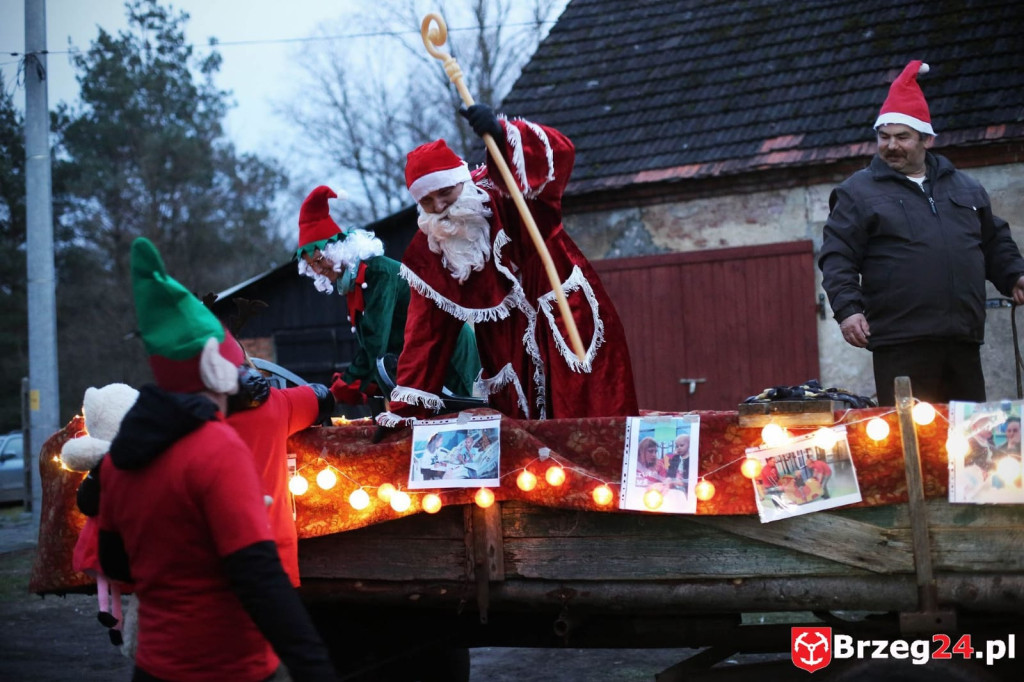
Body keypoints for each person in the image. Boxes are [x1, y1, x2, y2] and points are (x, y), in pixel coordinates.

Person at [97, 237, 337, 681]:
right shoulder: (215, 449)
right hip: (230, 666)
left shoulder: (118, 461)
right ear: (217, 371)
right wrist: (315, 668)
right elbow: (258, 577)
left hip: (155, 666)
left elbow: (115, 563)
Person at [377, 104, 639, 426]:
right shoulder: (430, 251)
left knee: (591, 419)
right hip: (506, 349)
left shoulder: (505, 192)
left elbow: (556, 159)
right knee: (522, 444)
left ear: (462, 181)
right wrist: (406, 411)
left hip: (563, 318)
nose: (440, 207)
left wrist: (502, 136)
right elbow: (425, 335)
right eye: (427, 202)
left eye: (445, 192)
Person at [818, 60, 1024, 406]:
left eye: (902, 137)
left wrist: (1015, 274)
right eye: (884, 137)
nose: (891, 146)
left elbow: (993, 242)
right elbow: (837, 255)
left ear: (926, 139)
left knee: (967, 441)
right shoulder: (858, 192)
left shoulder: (966, 187)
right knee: (911, 445)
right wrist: (848, 308)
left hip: (963, 340)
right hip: (900, 343)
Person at [295, 185, 480, 407]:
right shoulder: (353, 283)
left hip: (446, 350)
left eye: (318, 260)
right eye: (310, 265)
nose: (317, 270)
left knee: (452, 419)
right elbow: (389, 342)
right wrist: (366, 383)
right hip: (422, 356)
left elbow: (375, 342)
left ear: (337, 250)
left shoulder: (378, 273)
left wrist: (344, 387)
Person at [226, 356, 335, 588]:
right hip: (272, 557)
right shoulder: (275, 405)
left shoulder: (186, 418)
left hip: (211, 563)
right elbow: (322, 398)